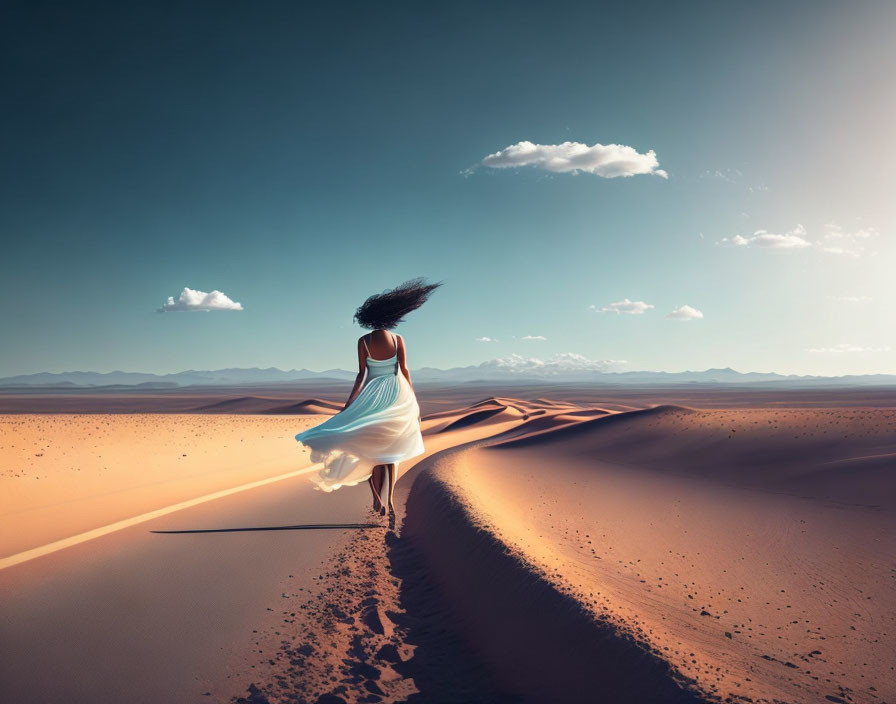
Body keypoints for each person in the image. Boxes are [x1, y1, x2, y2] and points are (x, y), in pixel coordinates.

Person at [295, 278, 441, 517]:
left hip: (372, 395)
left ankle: (376, 500)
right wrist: (413, 400)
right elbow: (404, 371)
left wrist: (349, 403)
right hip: (396, 393)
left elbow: (361, 374)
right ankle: (389, 500)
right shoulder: (397, 340)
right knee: (390, 454)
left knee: (370, 452)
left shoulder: (364, 341)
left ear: (370, 317)